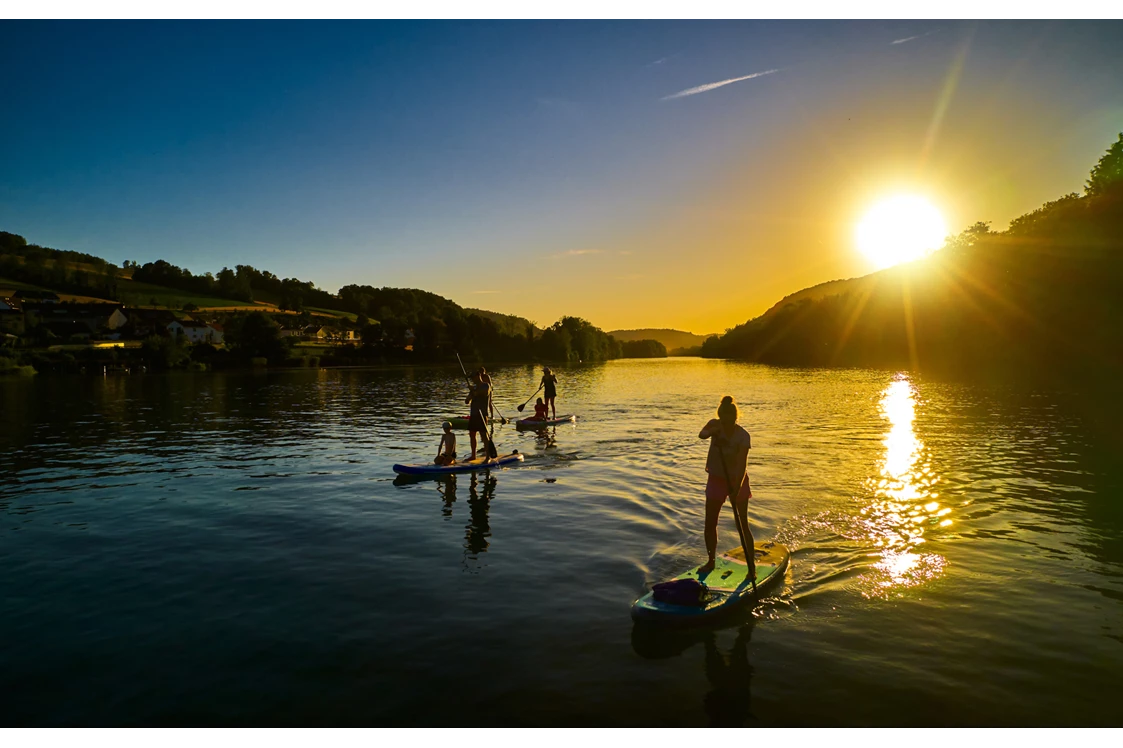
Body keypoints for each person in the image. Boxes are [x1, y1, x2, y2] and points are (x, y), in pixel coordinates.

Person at [698, 395, 754, 577]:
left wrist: (736, 487)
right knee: (710, 523)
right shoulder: (714, 424)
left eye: (730, 421)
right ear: (720, 417)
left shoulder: (743, 436)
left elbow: (742, 465)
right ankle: (710, 561)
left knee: (742, 525)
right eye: (723, 420)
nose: (727, 424)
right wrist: (714, 431)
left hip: (737, 479)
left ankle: (751, 568)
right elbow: (702, 435)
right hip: (716, 478)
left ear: (735, 418)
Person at [464, 371, 492, 460]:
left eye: (473, 378)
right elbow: (467, 401)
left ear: (478, 376)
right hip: (474, 413)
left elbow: (483, 393)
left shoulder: (486, 385)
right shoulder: (474, 387)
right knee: (472, 434)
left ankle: (488, 456)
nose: (472, 380)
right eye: (471, 379)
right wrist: (470, 395)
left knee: (483, 435)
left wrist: (473, 390)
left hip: (482, 413)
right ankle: (473, 455)